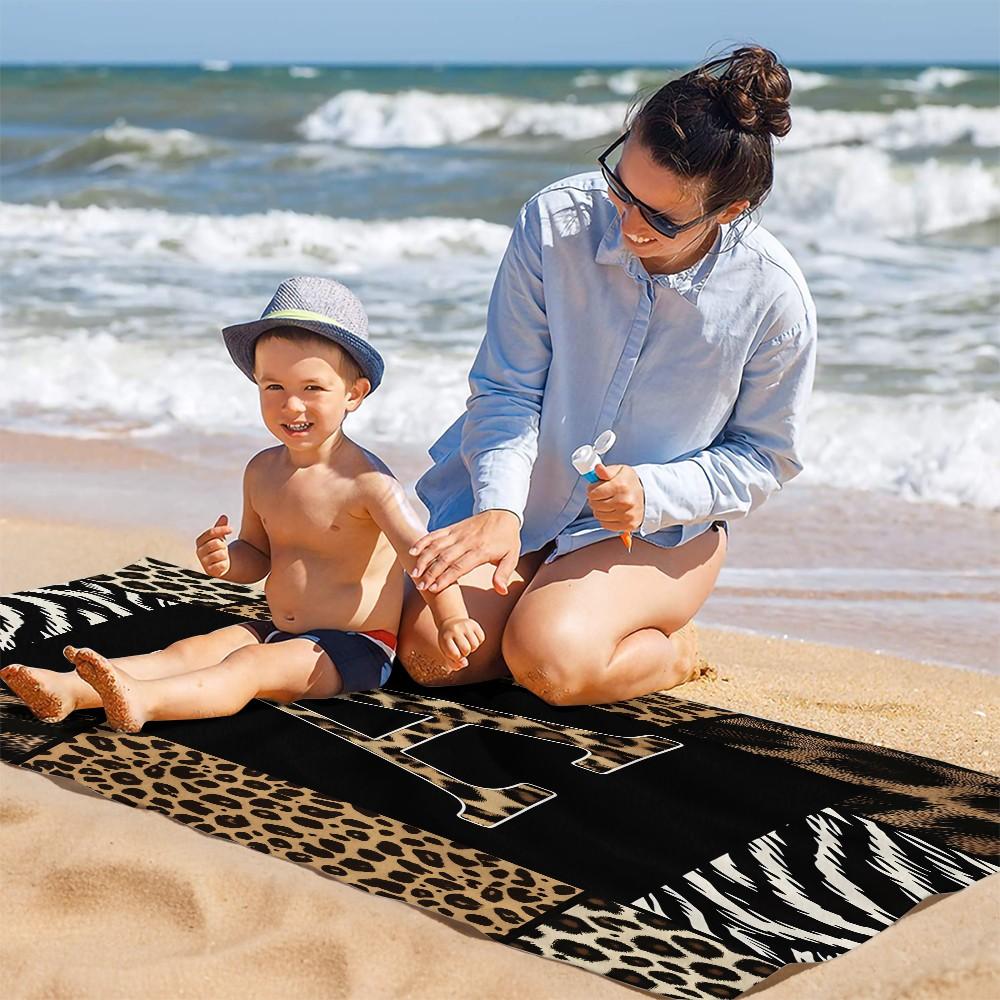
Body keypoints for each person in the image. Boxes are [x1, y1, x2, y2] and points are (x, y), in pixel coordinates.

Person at [399, 46, 817, 706]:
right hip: (525, 497)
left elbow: (767, 456)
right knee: (433, 657)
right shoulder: (553, 221)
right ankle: (552, 610)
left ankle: (671, 650)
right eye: (621, 187)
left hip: (650, 529)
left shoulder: (773, 297)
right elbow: (507, 388)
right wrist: (501, 508)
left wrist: (654, 491)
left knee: (549, 662)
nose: (625, 224)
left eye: (658, 217)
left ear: (729, 212)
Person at [1, 276, 483, 733]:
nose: (291, 406)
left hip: (353, 647)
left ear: (354, 394)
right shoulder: (263, 470)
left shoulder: (369, 483)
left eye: (312, 388)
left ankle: (146, 702)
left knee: (248, 666)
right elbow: (258, 555)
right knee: (192, 650)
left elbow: (424, 558)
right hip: (276, 627)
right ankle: (68, 689)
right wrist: (227, 560)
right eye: (274, 387)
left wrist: (452, 618)